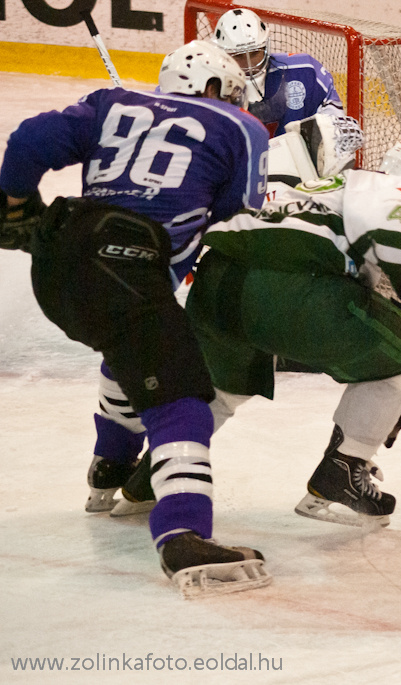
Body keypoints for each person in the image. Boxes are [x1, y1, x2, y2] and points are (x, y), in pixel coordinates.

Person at [0, 40, 272, 597]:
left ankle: (111, 465)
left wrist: (13, 203)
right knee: (183, 401)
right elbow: (235, 215)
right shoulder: (243, 128)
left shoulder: (110, 102)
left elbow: (28, 140)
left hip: (58, 262)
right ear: (217, 88)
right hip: (125, 265)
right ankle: (182, 534)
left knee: (130, 349)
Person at [116, 137, 401, 528]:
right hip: (289, 293)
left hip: (216, 290)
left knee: (221, 393)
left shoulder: (324, 186)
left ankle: (145, 484)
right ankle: (344, 468)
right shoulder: (395, 188)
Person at [213, 7, 343, 137]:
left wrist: (330, 135)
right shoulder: (209, 89)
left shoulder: (305, 71)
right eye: (239, 56)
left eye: (254, 53)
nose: (249, 65)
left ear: (266, 47)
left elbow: (337, 126)